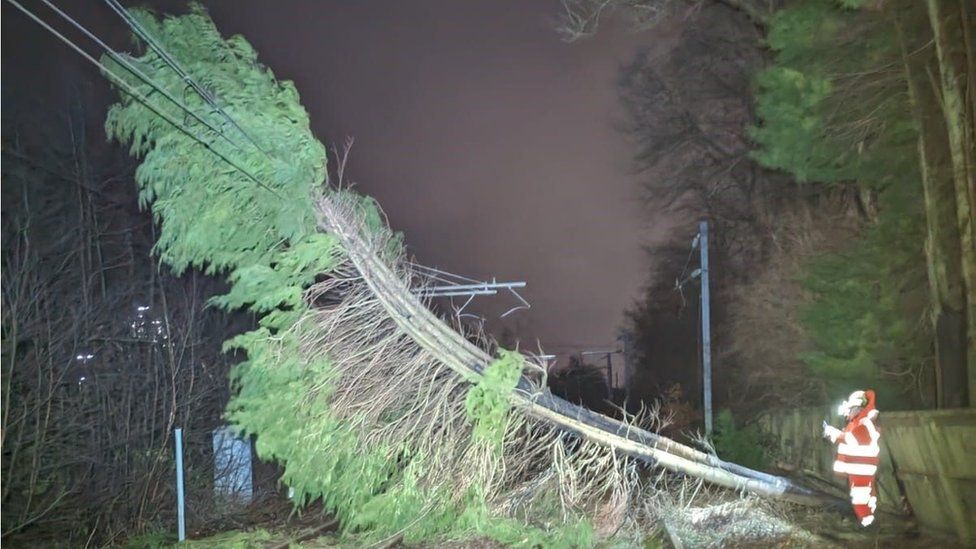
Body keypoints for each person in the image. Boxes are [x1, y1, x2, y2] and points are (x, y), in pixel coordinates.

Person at [822, 389, 880, 527]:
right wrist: (835, 435)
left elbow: (852, 439)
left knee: (860, 497)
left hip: (861, 468)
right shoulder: (858, 422)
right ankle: (866, 521)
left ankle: (868, 526)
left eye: (850, 409)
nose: (847, 413)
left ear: (857, 408)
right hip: (858, 468)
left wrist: (834, 433)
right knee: (863, 497)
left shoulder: (863, 423)